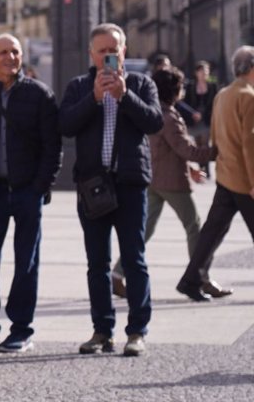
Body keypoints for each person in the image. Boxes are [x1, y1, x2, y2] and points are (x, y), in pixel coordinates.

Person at [59, 23, 162, 357]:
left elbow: (154, 122)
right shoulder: (78, 87)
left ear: (124, 51)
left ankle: (137, 331)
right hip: (93, 186)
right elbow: (66, 125)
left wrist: (124, 96)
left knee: (134, 259)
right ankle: (102, 330)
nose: (108, 55)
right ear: (92, 54)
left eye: (113, 49)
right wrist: (94, 98)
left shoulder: (142, 84)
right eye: (101, 50)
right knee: (97, 263)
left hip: (131, 184)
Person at [0, 34, 61, 354]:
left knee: (26, 263)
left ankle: (21, 329)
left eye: (15, 51)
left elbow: (52, 146)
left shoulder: (40, 94)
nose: (10, 57)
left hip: (27, 193)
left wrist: (40, 186)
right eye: (3, 52)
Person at [103, 67, 215, 298]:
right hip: (171, 182)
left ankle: (116, 274)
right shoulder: (170, 117)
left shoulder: (154, 111)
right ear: (174, 90)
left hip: (153, 178)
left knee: (144, 230)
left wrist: (192, 169)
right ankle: (199, 277)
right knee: (194, 227)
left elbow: (166, 150)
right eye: (181, 87)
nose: (183, 90)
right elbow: (185, 149)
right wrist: (214, 153)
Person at [177, 45, 254, 301]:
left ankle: (191, 280)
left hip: (225, 174)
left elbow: (214, 135)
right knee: (213, 231)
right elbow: (250, 143)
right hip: (244, 179)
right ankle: (191, 279)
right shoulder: (248, 96)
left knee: (212, 232)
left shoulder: (222, 94)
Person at [184, 60, 219, 177]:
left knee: (205, 143)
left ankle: (207, 169)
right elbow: (186, 102)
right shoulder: (190, 86)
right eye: (202, 72)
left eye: (206, 72)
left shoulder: (213, 86)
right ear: (197, 73)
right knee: (198, 145)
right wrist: (192, 113)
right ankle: (201, 168)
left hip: (206, 119)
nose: (205, 74)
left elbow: (216, 102)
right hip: (195, 119)